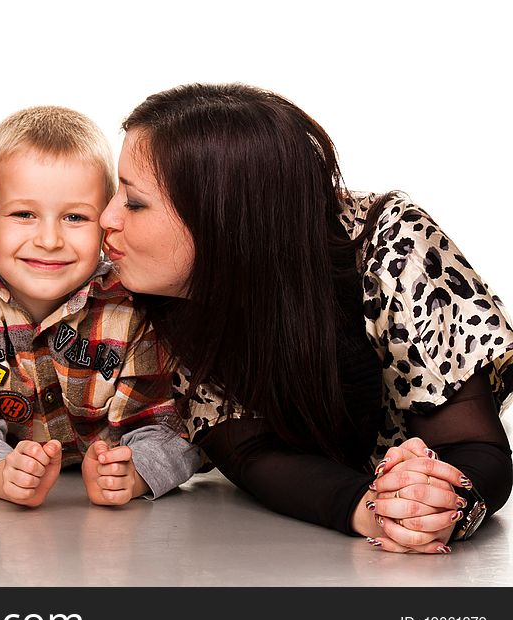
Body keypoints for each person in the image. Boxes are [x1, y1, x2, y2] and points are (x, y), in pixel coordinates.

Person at [99, 83, 513, 553]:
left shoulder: (391, 246)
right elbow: (247, 450)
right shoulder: (163, 289)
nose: (106, 217)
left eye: (133, 201)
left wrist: (442, 506)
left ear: (223, 216)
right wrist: (370, 509)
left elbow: (477, 446)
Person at [0, 106, 200, 507]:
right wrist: (0, 473)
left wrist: (136, 472)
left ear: (105, 223)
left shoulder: (130, 298)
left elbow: (169, 425)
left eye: (75, 217)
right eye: (25, 214)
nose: (50, 240)